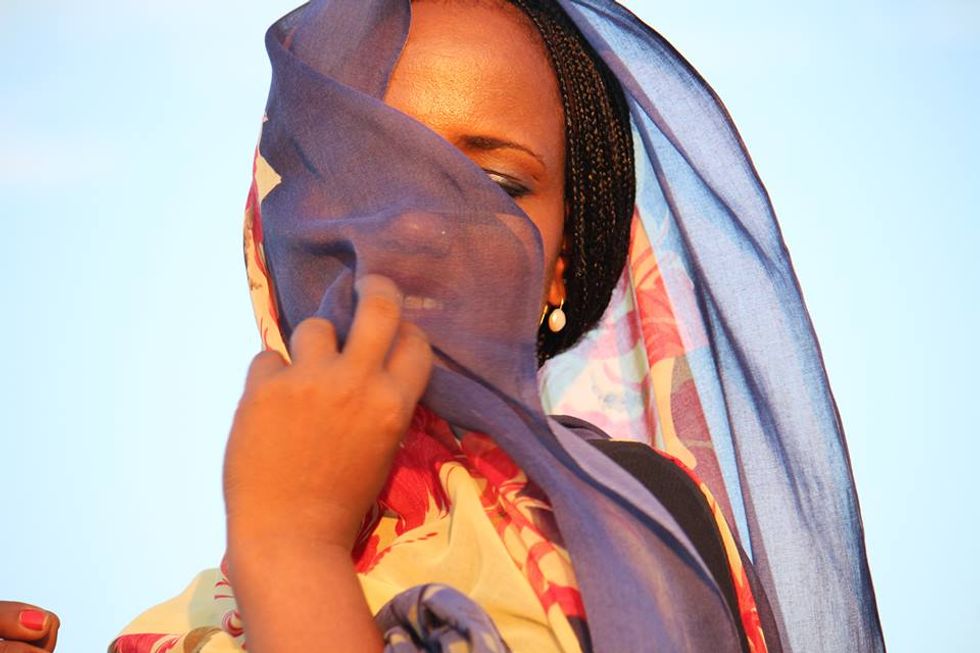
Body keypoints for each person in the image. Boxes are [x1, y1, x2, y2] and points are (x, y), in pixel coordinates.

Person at [111, 1, 884, 652]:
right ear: (273, 219)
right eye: (368, 167)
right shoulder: (187, 621)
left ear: (560, 261)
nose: (417, 222)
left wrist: (292, 553)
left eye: (496, 182)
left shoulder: (635, 540)